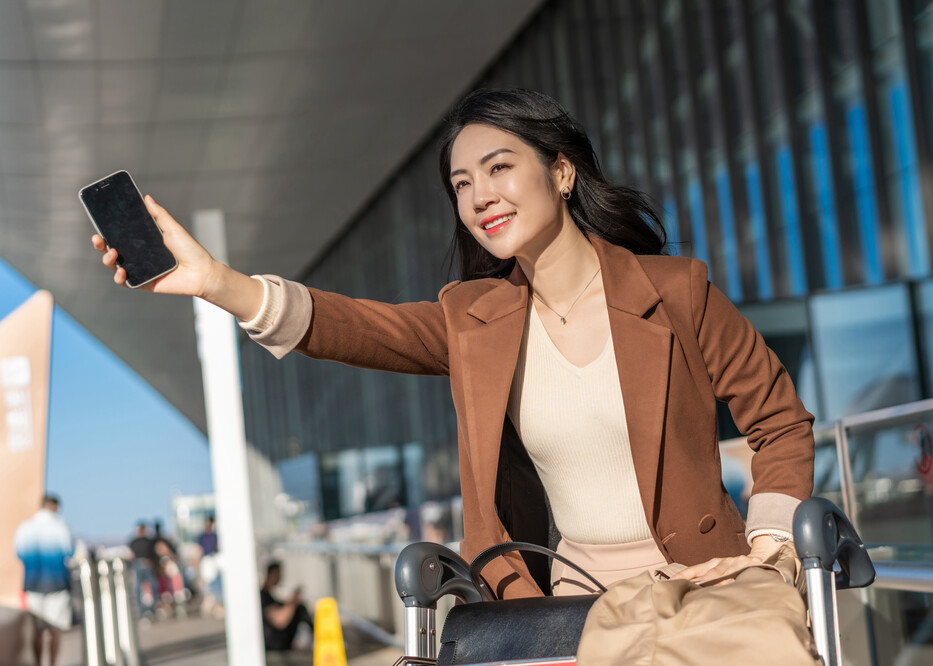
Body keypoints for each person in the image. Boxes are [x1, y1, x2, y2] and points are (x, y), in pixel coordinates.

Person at [91, 89, 811, 604]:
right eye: (462, 184)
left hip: (707, 589)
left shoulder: (676, 291)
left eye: (499, 168)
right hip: (570, 607)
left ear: (561, 173)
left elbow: (780, 421)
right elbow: (354, 326)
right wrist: (217, 281)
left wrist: (771, 548)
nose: (479, 197)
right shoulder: (476, 318)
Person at [14, 494, 75, 666]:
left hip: (33, 583)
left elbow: (19, 553)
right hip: (57, 583)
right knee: (55, 629)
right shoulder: (60, 526)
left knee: (37, 630)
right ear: (55, 507)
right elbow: (69, 551)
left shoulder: (25, 527)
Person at [259, 561, 313, 651]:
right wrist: (293, 602)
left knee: (301, 608)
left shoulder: (269, 595)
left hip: (277, 644)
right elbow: (279, 620)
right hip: (273, 646)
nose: (280, 577)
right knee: (300, 609)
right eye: (278, 574)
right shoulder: (263, 596)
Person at [128, 520, 158, 621]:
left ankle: (152, 609)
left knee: (153, 586)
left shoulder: (149, 541)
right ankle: (143, 611)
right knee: (138, 589)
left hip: (147, 564)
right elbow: (131, 555)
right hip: (138, 565)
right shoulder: (133, 542)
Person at [197, 517, 223, 617]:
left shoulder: (215, 535)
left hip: (214, 560)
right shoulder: (202, 537)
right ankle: (210, 606)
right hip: (207, 561)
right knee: (208, 585)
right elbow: (199, 550)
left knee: (216, 584)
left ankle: (217, 606)